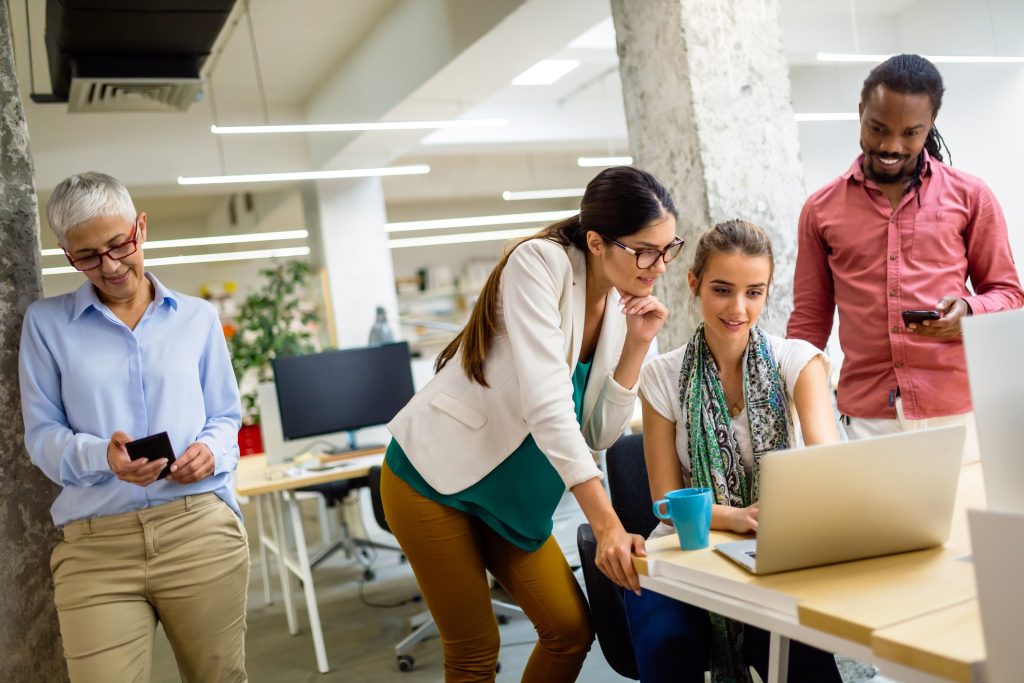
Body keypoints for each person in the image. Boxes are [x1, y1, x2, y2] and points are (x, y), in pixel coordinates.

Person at [383, 166, 679, 682]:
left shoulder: (615, 303)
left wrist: (637, 342)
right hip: (433, 480)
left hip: (514, 500)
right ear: (596, 240)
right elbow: (547, 405)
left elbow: (598, 435)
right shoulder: (539, 264)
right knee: (475, 652)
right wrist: (608, 523)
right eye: (644, 250)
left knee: (568, 631)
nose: (659, 266)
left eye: (667, 248)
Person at [19, 172, 248, 682]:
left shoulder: (198, 318)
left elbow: (226, 417)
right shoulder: (46, 325)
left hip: (198, 531)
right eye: (88, 256)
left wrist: (211, 450)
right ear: (66, 255)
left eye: (119, 244)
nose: (111, 265)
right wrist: (103, 455)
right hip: (97, 546)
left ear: (140, 228)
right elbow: (41, 435)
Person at [623, 220, 843, 683]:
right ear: (694, 283)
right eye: (722, 289)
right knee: (667, 646)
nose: (738, 308)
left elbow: (828, 469)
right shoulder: (662, 376)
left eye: (754, 292)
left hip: (775, 548)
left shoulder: (798, 362)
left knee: (799, 653)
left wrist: (772, 520)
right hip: (686, 550)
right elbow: (665, 502)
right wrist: (737, 518)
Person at [788, 54, 1024, 446]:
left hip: (959, 410)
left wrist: (969, 310)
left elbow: (1009, 294)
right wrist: (794, 410)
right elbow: (809, 323)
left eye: (910, 133)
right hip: (866, 418)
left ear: (931, 124)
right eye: (877, 128)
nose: (890, 145)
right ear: (860, 111)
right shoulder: (820, 209)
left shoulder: (971, 196)